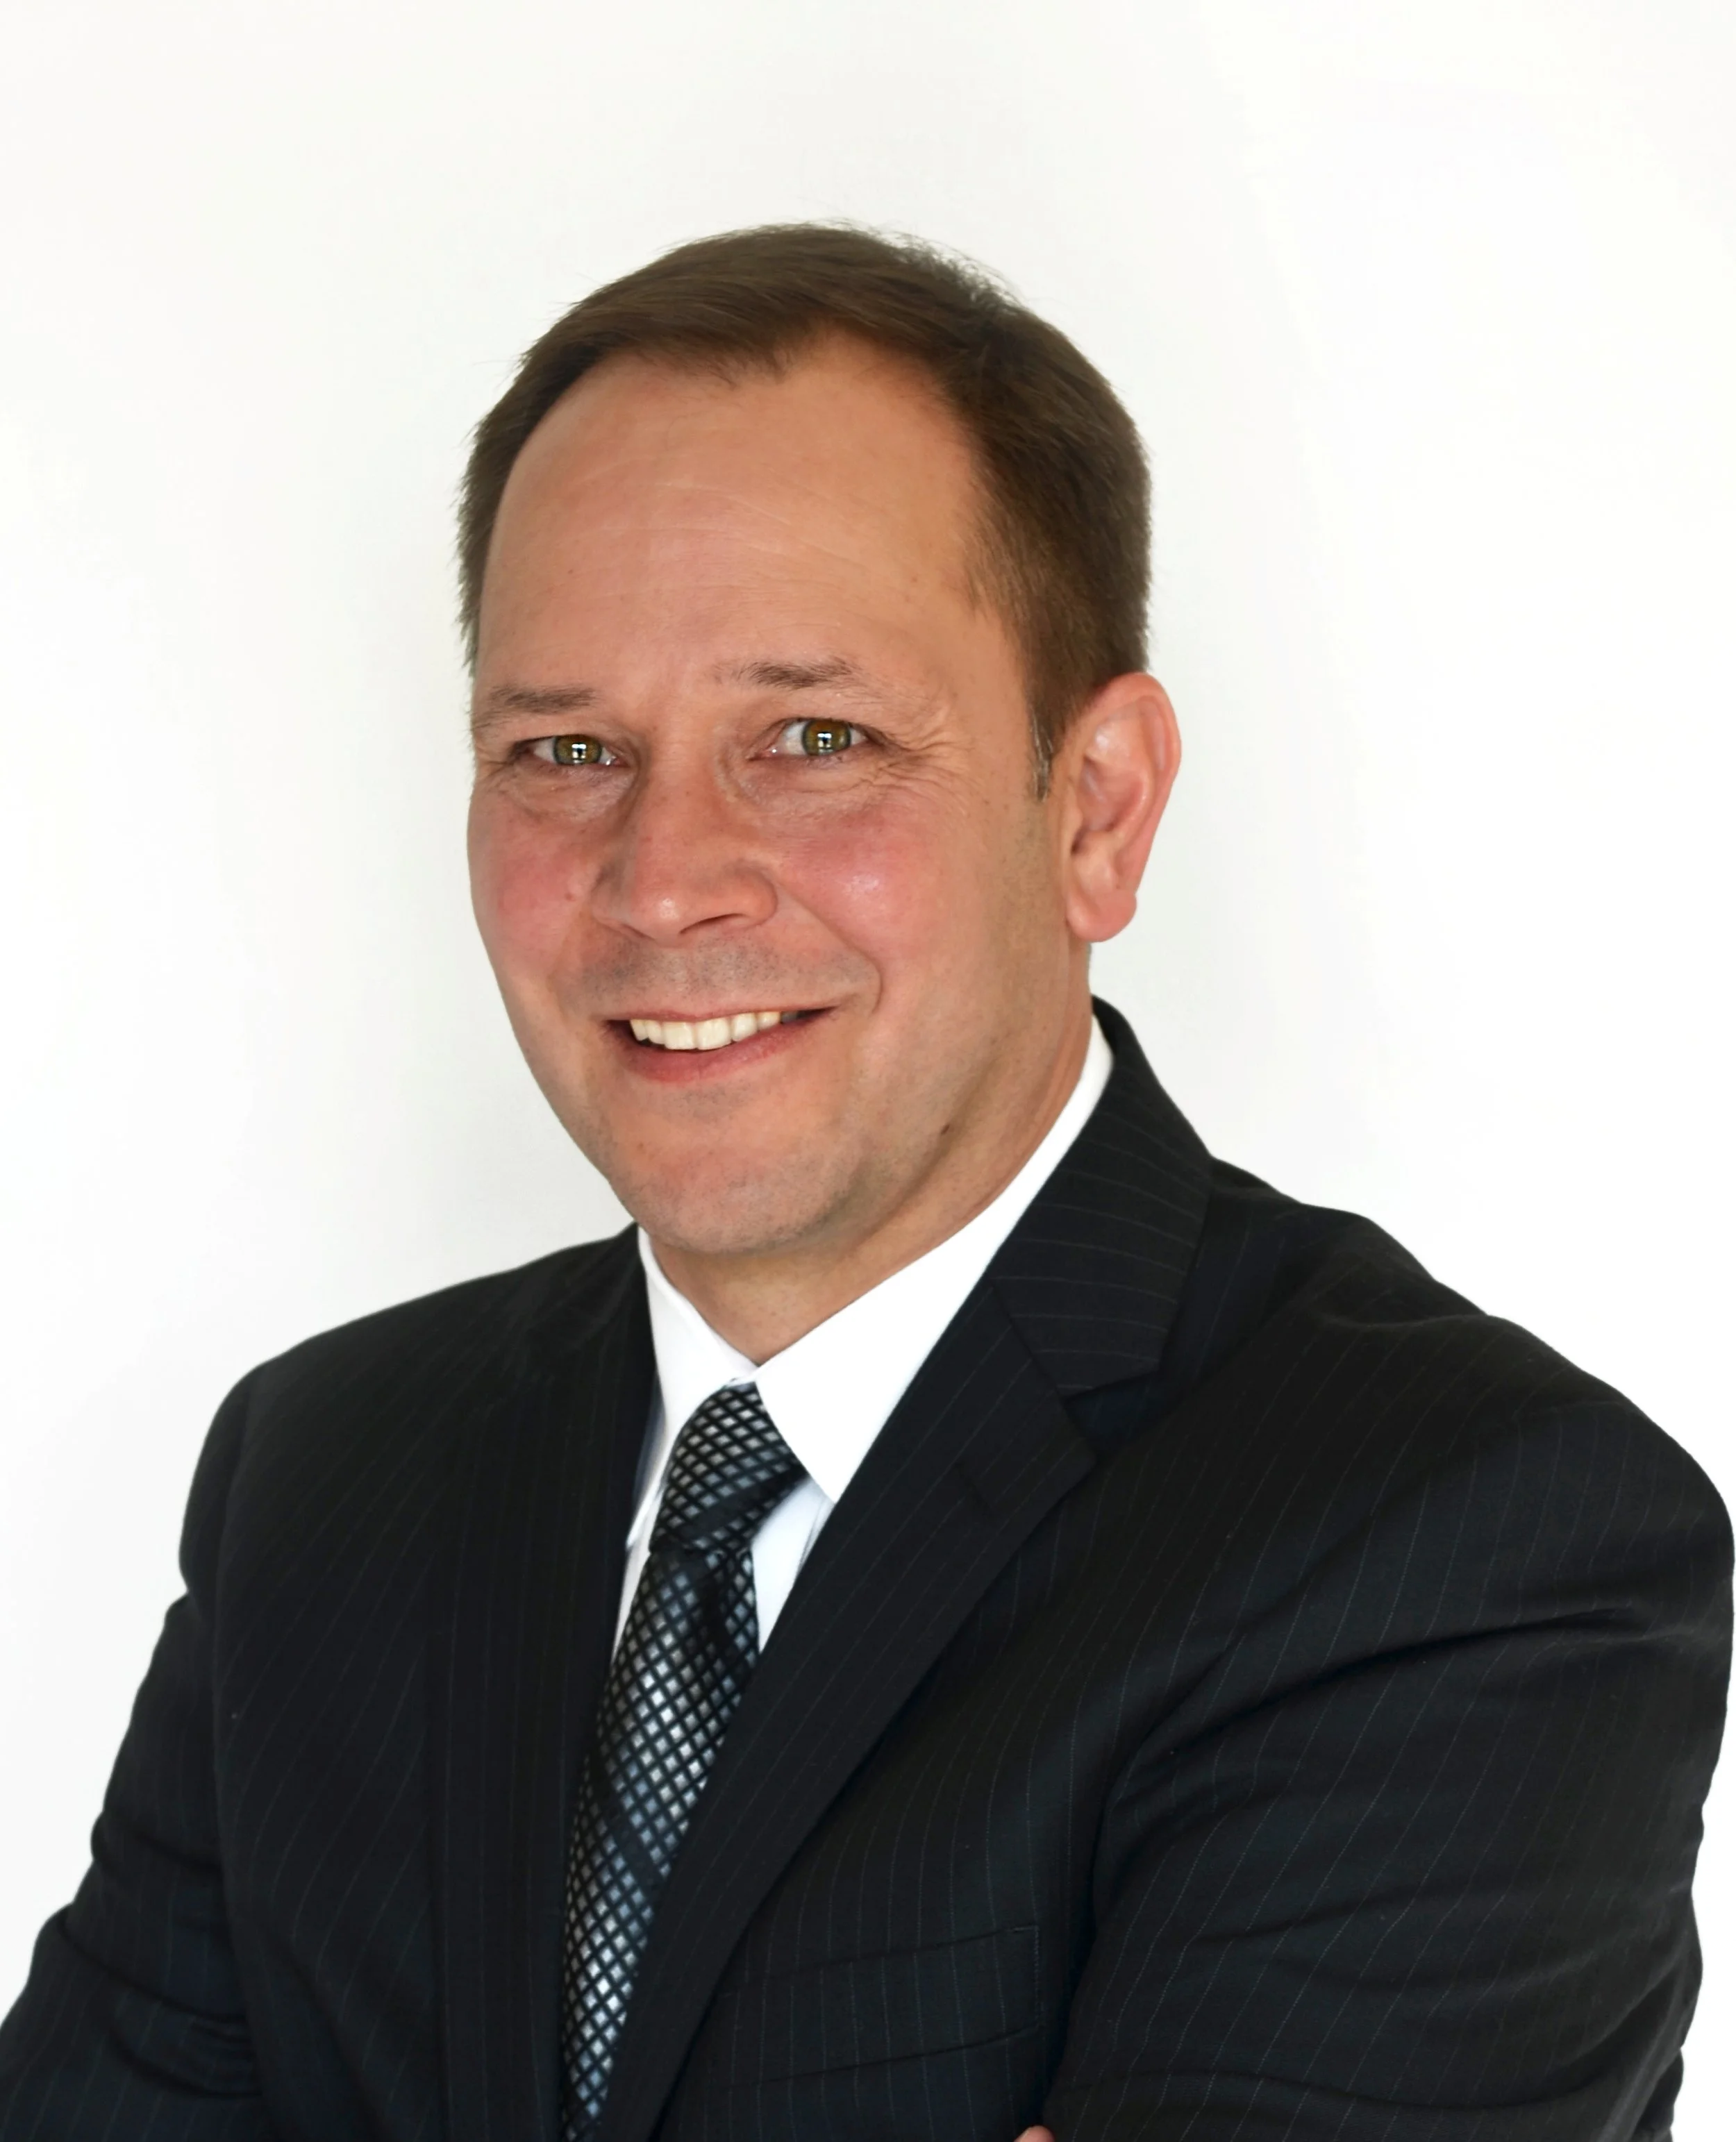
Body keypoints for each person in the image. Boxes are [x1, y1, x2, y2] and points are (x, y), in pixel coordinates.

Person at [0, 224, 1728, 2142]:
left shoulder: (1465, 1547)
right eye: (564, 748)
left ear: (1096, 809)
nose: (662, 879)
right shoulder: (324, 1480)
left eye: (815, 740)